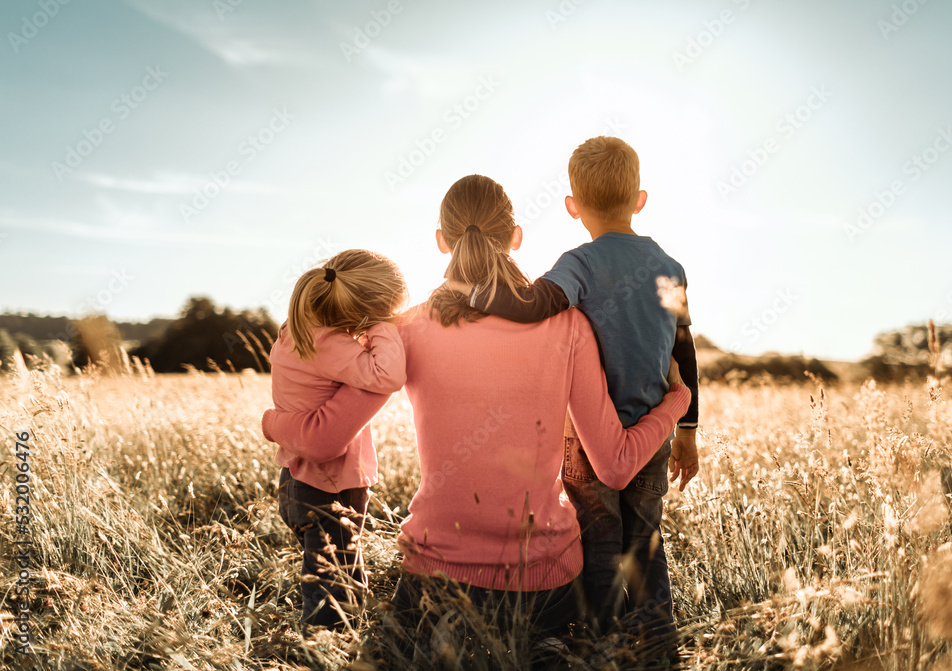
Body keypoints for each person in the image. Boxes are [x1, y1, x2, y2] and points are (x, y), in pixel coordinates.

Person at [261, 174, 691, 643]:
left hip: (431, 588)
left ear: (441, 242)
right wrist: (677, 403)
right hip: (546, 592)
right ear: (515, 238)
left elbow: (324, 432)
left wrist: (273, 421)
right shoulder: (568, 326)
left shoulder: (405, 332)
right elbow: (614, 465)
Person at [451, 137, 700, 638]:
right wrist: (689, 429)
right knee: (645, 540)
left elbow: (535, 304)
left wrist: (472, 293)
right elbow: (684, 348)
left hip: (589, 439)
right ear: (640, 200)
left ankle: (600, 639)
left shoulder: (579, 264)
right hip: (654, 433)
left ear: (572, 207)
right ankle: (656, 636)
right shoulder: (670, 269)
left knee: (598, 541)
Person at [265, 248, 407, 629]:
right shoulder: (330, 344)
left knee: (340, 571)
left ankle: (343, 637)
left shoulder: (295, 332)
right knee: (331, 593)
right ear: (361, 314)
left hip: (298, 481)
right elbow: (388, 375)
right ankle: (322, 650)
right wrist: (384, 326)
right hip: (329, 488)